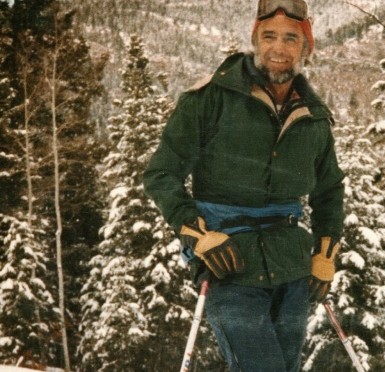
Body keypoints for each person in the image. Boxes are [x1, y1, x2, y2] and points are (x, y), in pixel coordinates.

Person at [142, 0, 345, 370]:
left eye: (290, 38)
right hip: (228, 260)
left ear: (306, 47)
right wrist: (196, 234)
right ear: (255, 40)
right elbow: (162, 173)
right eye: (269, 36)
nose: (278, 48)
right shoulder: (210, 100)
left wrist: (325, 252)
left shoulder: (313, 117)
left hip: (292, 265)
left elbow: (329, 190)